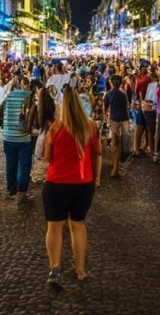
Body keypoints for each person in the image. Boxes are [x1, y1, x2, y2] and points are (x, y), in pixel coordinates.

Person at [43, 87, 102, 289]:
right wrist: (97, 178)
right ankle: (80, 270)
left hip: (57, 183)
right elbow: (97, 154)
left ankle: (55, 267)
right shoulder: (90, 127)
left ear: (62, 107)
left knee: (55, 227)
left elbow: (47, 157)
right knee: (78, 225)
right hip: (83, 183)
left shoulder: (55, 128)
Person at [0, 75, 34, 202]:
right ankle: (22, 194)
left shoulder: (8, 95)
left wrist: (4, 126)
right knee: (25, 165)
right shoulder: (29, 96)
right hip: (23, 137)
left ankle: (11, 190)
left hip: (8, 136)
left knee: (10, 164)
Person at [103, 75, 130, 178]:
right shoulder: (123, 94)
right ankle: (116, 163)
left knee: (115, 144)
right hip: (124, 120)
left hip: (115, 120)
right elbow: (126, 106)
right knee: (119, 144)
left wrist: (106, 118)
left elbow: (105, 108)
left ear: (111, 82)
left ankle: (115, 167)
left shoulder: (109, 94)